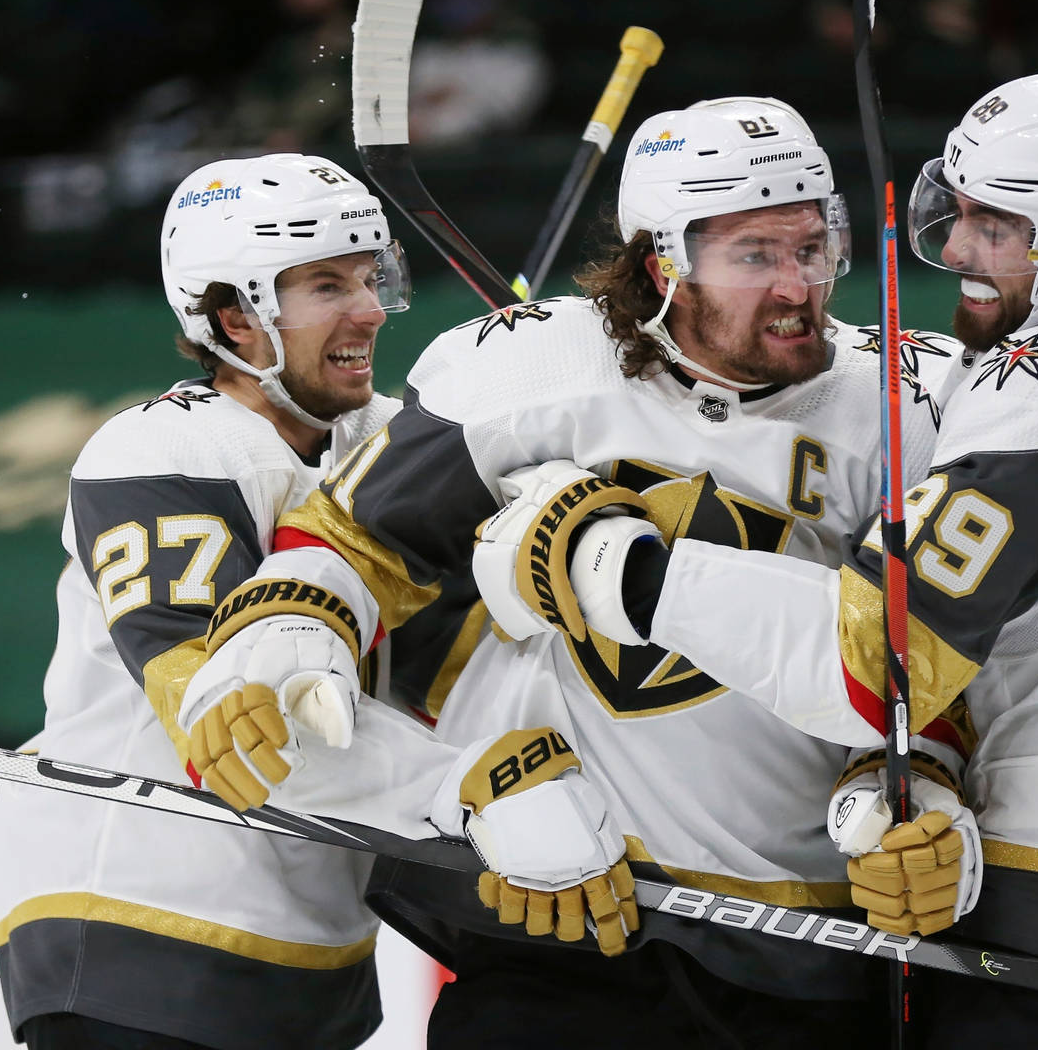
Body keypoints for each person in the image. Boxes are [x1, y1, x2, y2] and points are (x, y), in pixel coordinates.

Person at [552, 70, 1038, 1047]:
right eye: (962, 211)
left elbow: (867, 667)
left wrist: (616, 566)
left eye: (998, 228)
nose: (962, 250)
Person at [170, 96, 976, 1049]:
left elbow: (931, 662)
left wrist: (923, 795)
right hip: (561, 915)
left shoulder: (914, 402)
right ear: (660, 262)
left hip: (796, 945)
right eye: (753, 256)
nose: (798, 285)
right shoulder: (526, 367)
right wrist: (288, 636)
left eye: (812, 246)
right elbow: (351, 543)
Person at [0, 153, 414, 1050]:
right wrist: (473, 796)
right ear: (237, 318)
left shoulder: (387, 442)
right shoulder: (161, 446)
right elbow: (232, 718)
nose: (370, 309)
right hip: (141, 926)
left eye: (371, 278)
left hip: (309, 949)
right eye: (328, 284)